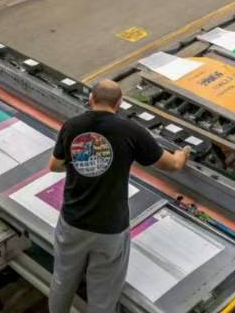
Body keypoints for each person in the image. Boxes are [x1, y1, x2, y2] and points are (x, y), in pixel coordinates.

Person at [48, 79, 190, 313]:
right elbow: (172, 165)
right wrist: (183, 153)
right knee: (103, 296)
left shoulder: (72, 126)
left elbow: (54, 165)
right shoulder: (132, 131)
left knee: (62, 280)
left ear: (91, 99)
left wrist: (84, 163)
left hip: (73, 222)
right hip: (110, 229)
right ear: (119, 103)